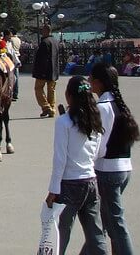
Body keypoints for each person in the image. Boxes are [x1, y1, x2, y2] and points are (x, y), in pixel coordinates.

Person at [46, 75, 107, 254]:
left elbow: (60, 159)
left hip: (69, 184)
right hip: (90, 181)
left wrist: (53, 190)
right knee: (95, 234)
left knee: (60, 233)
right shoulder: (95, 120)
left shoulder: (64, 122)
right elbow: (96, 153)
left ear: (69, 96)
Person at [90, 63, 139, 255]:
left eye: (91, 79)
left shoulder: (103, 107)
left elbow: (101, 145)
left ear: (99, 83)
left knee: (115, 224)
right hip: (123, 166)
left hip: (108, 170)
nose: (89, 82)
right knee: (105, 222)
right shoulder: (118, 104)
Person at [33, 23, 60, 118]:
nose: (41, 32)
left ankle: (46, 107)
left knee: (38, 88)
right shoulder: (55, 41)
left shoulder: (45, 42)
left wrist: (38, 71)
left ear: (46, 31)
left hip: (43, 71)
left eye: (42, 30)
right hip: (53, 70)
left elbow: (41, 58)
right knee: (51, 90)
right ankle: (52, 108)